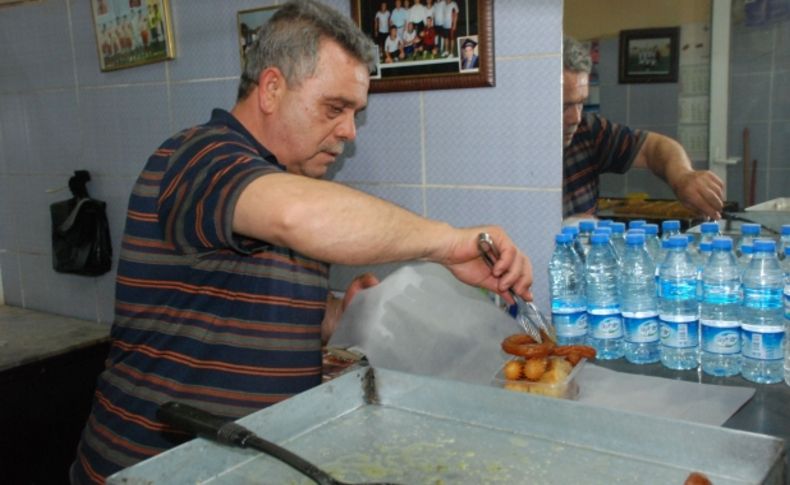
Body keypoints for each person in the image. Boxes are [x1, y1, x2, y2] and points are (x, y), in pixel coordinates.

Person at [70, 1, 533, 482]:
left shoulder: (281, 179)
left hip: (243, 464)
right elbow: (297, 215)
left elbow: (246, 301)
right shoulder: (199, 156)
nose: (349, 133)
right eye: (334, 108)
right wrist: (449, 243)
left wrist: (339, 315)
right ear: (271, 88)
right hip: (153, 468)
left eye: (356, 113)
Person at [562, 35, 724, 220]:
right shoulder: (522, 154)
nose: (575, 117)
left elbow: (653, 148)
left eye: (581, 103)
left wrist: (682, 176)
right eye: (564, 106)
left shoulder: (589, 130)